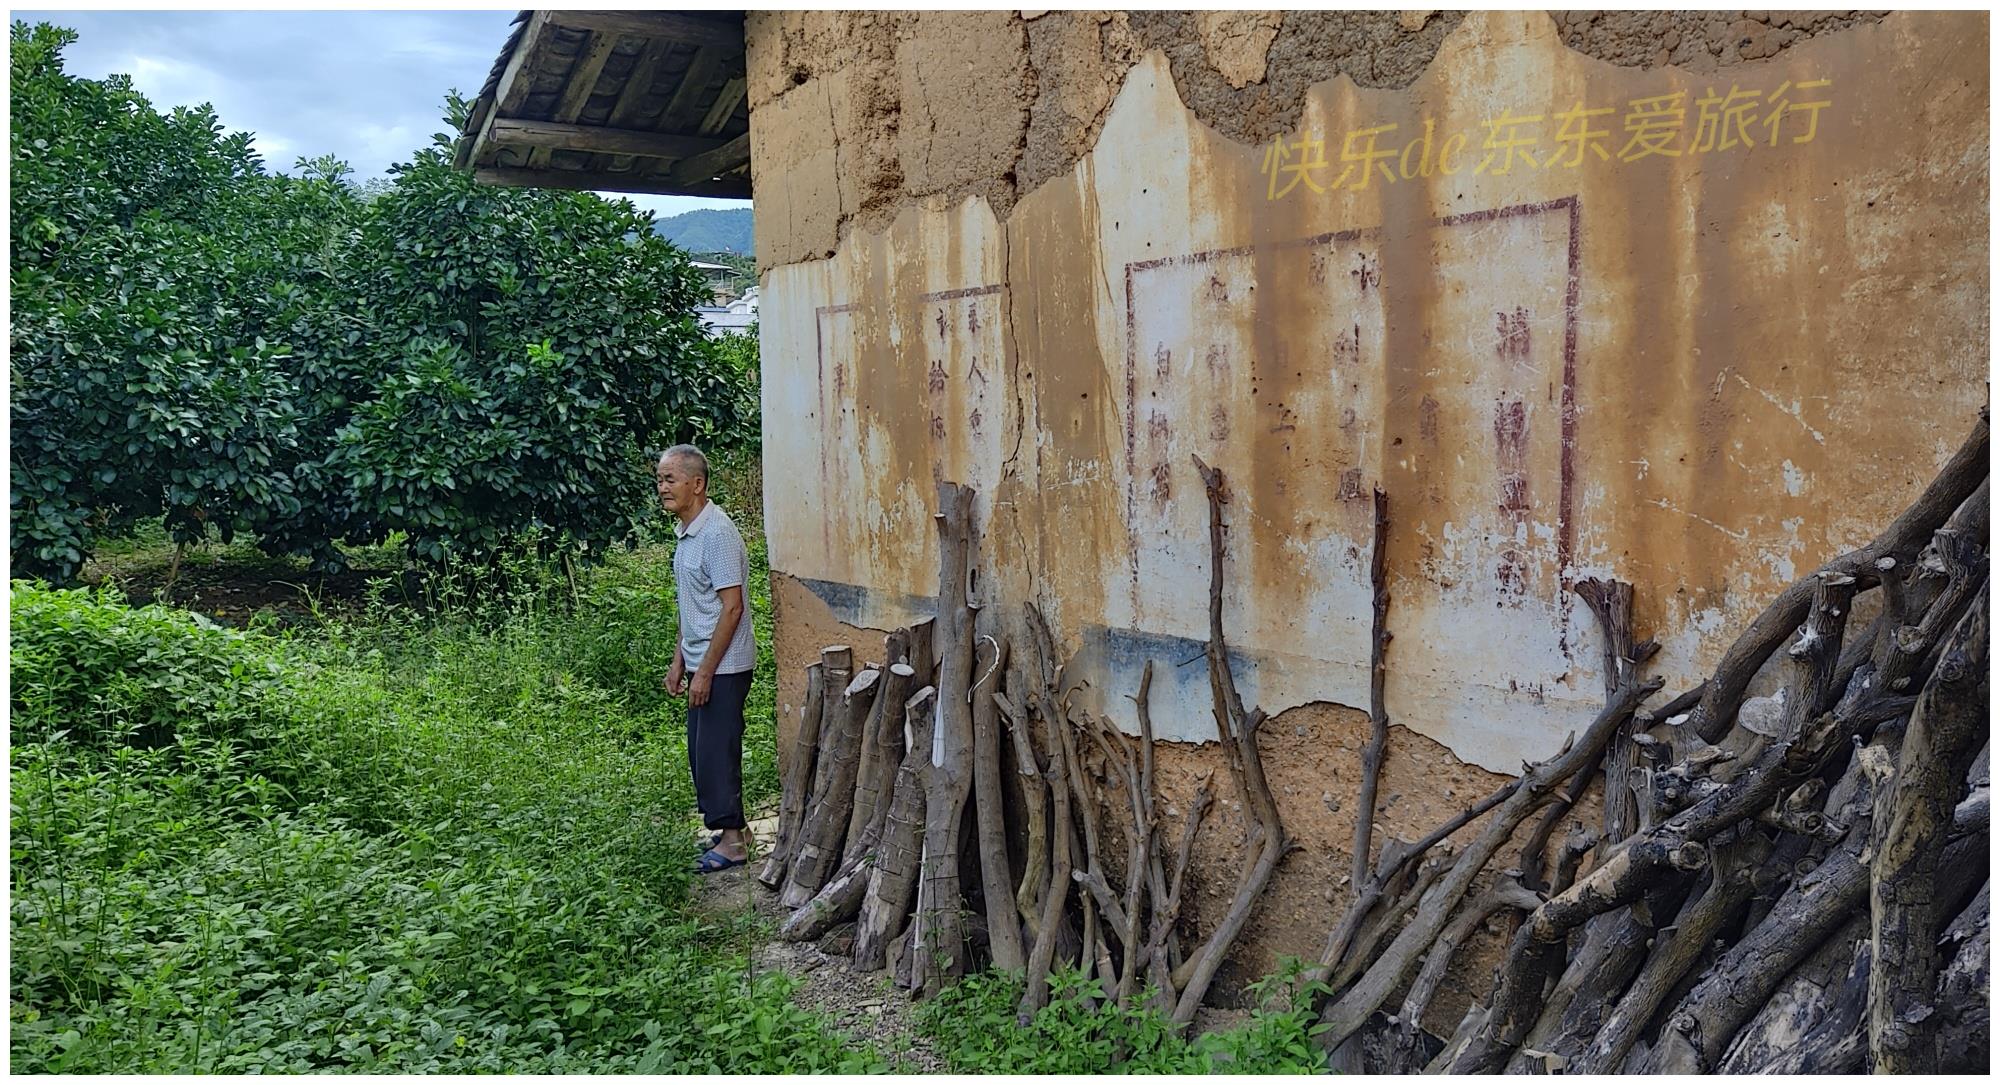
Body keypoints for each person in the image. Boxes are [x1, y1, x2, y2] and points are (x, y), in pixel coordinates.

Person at [656, 444, 758, 873]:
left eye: (670, 480)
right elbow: (693, 605)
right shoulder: (688, 533)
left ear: (697, 484)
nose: (662, 488)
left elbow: (731, 608)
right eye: (660, 480)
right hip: (702, 662)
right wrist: (681, 661)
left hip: (726, 665)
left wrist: (707, 673)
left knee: (717, 751)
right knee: (703, 753)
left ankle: (734, 843)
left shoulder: (717, 534)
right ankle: (735, 829)